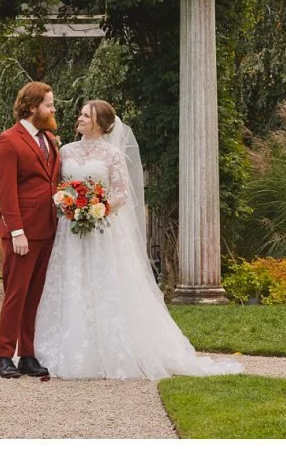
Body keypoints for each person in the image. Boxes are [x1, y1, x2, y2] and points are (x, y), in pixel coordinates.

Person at [34, 99, 245, 379]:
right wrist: (68, 204)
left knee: (104, 282)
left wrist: (98, 208)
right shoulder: (66, 150)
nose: (80, 118)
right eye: (81, 114)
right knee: (72, 281)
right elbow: (60, 187)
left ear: (100, 123)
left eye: (86, 115)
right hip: (70, 232)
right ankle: (65, 345)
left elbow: (122, 193)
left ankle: (108, 349)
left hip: (102, 229)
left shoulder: (112, 154)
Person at [0, 81, 61, 378]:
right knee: (16, 294)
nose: (53, 109)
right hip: (22, 233)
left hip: (48, 228)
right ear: (32, 107)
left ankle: (27, 355)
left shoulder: (50, 140)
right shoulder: (9, 140)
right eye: (48, 104)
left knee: (35, 296)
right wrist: (17, 231)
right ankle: (5, 356)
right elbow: (6, 191)